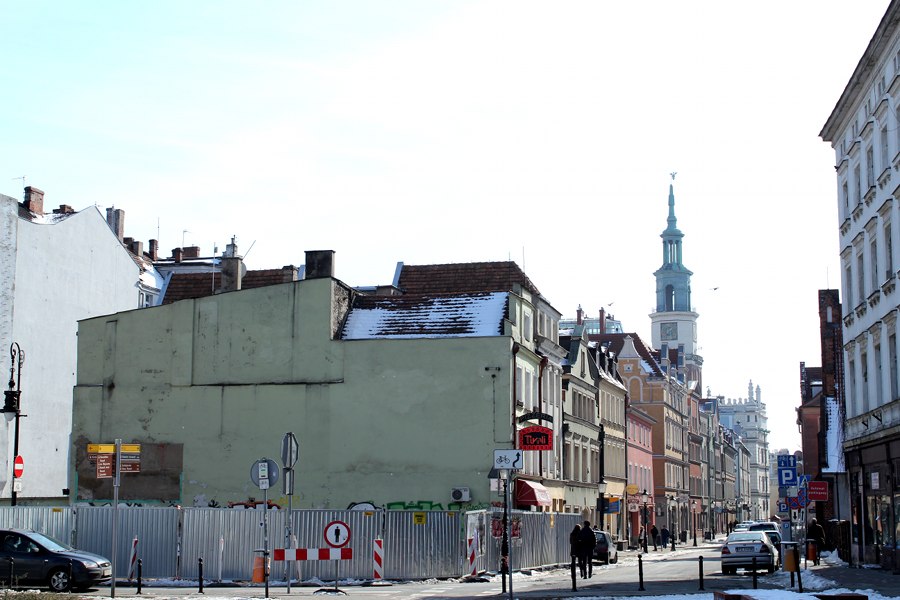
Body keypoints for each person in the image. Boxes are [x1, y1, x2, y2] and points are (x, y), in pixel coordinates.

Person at [569, 524, 581, 591]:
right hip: (578, 551)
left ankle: (574, 585)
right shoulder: (579, 534)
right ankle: (574, 586)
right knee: (579, 561)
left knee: (573, 564)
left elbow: (570, 542)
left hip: (573, 551)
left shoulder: (572, 534)